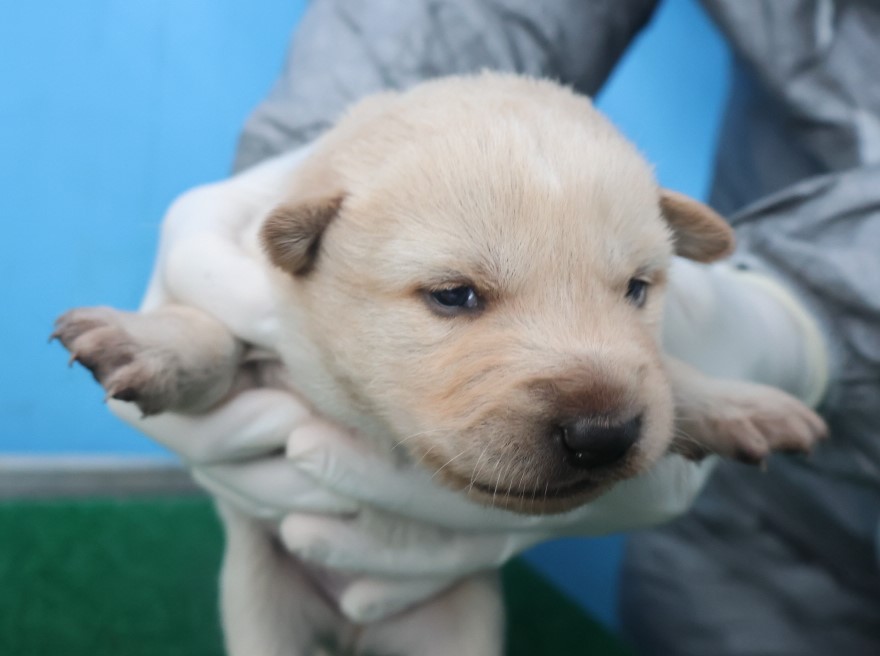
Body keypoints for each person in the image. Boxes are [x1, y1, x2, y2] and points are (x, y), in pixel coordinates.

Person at [111, 1, 880, 653]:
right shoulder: (318, 248)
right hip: (771, 542)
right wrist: (321, 150)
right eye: (457, 296)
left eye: (636, 286)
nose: (602, 418)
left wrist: (795, 319)